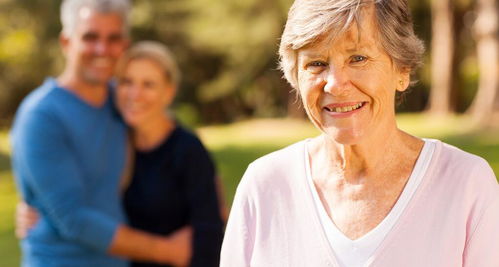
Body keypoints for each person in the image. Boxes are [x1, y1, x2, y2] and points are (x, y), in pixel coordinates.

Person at [220, 0, 499, 266]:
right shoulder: (264, 185)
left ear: (402, 70)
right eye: (316, 63)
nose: (335, 84)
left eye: (358, 58)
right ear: (295, 77)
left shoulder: (466, 184)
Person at [11, 0, 190, 266]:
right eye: (90, 36)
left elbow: (175, 145)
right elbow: (73, 219)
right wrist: (168, 251)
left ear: (125, 45)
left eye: (113, 38)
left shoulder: (124, 102)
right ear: (66, 42)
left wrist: (211, 194)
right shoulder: (41, 115)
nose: (102, 49)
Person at [115, 41, 224, 267]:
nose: (135, 94)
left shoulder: (188, 151)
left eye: (148, 84)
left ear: (169, 92)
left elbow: (208, 239)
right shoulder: (112, 143)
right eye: (127, 81)